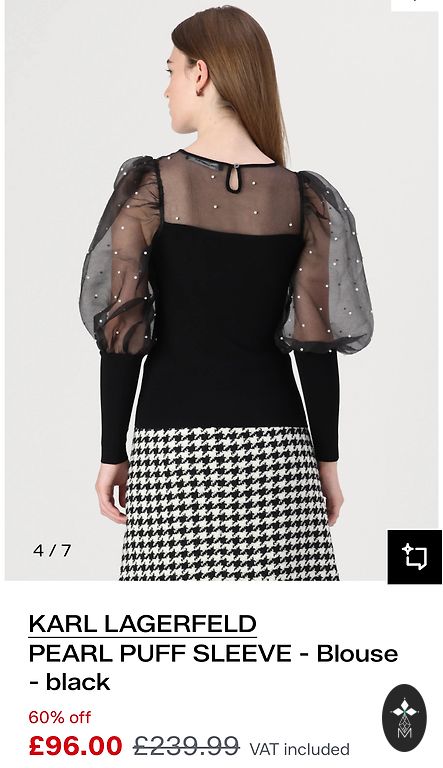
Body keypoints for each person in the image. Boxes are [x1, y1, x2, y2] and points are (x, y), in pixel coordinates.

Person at [79, 6, 373, 581]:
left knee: (180, 629)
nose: (166, 88)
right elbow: (315, 345)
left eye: (170, 70)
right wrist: (327, 461)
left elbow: (122, 332)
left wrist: (113, 451)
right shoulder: (303, 198)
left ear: (201, 74)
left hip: (173, 459)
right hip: (280, 459)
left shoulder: (152, 186)